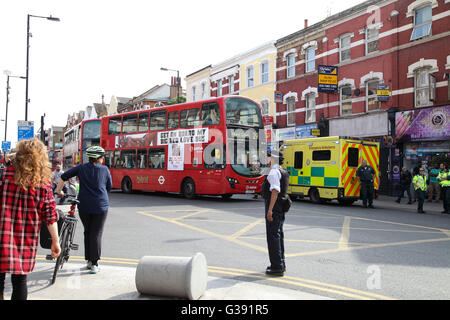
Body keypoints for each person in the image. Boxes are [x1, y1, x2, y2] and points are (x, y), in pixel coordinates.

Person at [0, 139, 60, 300]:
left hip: (1, 235)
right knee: (20, 281)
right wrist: (55, 241)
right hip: (24, 238)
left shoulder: (3, 175)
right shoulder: (43, 184)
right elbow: (50, 215)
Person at [55, 146, 112, 274]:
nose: (103, 159)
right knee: (96, 233)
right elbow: (109, 187)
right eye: (102, 157)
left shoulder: (81, 168)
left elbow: (63, 177)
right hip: (100, 206)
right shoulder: (105, 169)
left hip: (84, 206)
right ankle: (94, 263)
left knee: (88, 231)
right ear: (99, 158)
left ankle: (88, 260)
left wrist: (58, 191)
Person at [263, 150, 289, 276]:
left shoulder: (273, 172)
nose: (267, 159)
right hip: (280, 207)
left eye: (268, 157)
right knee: (278, 236)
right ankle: (280, 264)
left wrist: (270, 210)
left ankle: (276, 267)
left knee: (273, 237)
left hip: (275, 207)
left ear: (273, 159)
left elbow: (275, 191)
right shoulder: (282, 170)